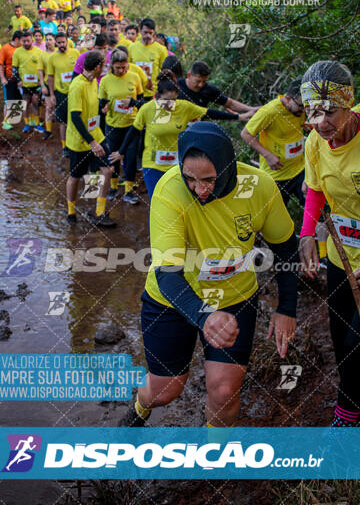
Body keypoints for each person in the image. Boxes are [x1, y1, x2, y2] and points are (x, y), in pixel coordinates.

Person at [118, 121, 298, 427]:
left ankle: (212, 460)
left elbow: (285, 247)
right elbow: (168, 272)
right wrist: (204, 315)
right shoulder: (169, 191)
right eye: (190, 178)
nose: (200, 190)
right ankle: (139, 408)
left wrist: (286, 309)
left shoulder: (259, 186)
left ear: (228, 169)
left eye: (209, 180)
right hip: (173, 300)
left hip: (234, 296)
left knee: (225, 391)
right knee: (165, 391)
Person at [298, 61, 360, 427]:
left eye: (329, 112)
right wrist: (307, 233)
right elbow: (316, 190)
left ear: (349, 105)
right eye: (312, 113)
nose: (320, 123)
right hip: (341, 258)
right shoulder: (315, 144)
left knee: (356, 345)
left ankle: (346, 417)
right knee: (341, 340)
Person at [110, 70, 249, 200]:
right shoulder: (147, 109)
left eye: (173, 100)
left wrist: (239, 117)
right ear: (158, 96)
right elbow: (133, 131)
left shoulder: (184, 107)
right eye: (166, 101)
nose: (170, 105)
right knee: (157, 201)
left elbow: (209, 113)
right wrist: (121, 152)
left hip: (177, 163)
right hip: (153, 164)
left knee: (178, 200)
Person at [66, 51, 116, 227]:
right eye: (104, 65)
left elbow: (91, 105)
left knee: (108, 170)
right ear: (97, 67)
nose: (105, 68)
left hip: (96, 134)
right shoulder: (76, 86)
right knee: (75, 176)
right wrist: (92, 143)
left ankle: (98, 211)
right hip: (80, 140)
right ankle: (71, 211)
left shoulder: (94, 81)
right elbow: (75, 118)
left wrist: (102, 106)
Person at [241, 80, 306, 207]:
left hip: (300, 169)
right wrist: (267, 155)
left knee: (318, 211)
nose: (303, 111)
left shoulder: (299, 110)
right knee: (277, 216)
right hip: (276, 175)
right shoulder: (270, 112)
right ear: (287, 99)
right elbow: (246, 134)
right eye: (301, 106)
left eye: (306, 106)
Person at [99, 49, 144, 204]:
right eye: (118, 67)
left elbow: (141, 100)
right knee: (113, 157)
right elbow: (102, 102)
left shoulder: (134, 77)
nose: (122, 70)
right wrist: (103, 108)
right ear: (111, 65)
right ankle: (113, 187)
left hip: (132, 125)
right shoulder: (105, 80)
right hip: (113, 126)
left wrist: (134, 104)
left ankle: (129, 191)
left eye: (124, 67)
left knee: (131, 158)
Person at [178, 61, 258, 117]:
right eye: (198, 81)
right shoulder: (176, 86)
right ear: (189, 75)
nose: (201, 85)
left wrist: (251, 109)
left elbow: (230, 103)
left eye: (204, 81)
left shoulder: (208, 90)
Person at [47, 33, 80, 156]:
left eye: (63, 42)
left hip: (75, 91)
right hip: (60, 92)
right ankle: (64, 147)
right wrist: (52, 95)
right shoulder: (52, 58)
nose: (61, 45)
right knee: (62, 122)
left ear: (67, 41)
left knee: (76, 118)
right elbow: (50, 77)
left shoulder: (75, 53)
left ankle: (76, 145)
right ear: (56, 43)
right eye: (59, 43)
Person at [128, 18, 168, 101]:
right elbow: (127, 68)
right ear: (140, 30)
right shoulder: (132, 47)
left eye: (151, 33)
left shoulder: (161, 49)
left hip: (152, 93)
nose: (148, 36)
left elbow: (165, 72)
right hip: (134, 92)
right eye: (145, 32)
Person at [12, 31, 42, 132]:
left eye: (27, 41)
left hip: (36, 83)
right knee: (25, 103)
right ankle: (27, 124)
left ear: (32, 40)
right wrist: (18, 80)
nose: (25, 43)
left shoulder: (38, 52)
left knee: (35, 102)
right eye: (23, 41)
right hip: (24, 84)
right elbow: (14, 68)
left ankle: (37, 124)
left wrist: (40, 80)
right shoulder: (17, 52)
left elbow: (43, 68)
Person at [0, 31, 23, 129]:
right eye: (22, 40)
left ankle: (14, 120)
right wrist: (3, 78)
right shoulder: (5, 48)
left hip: (20, 80)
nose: (23, 42)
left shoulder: (21, 49)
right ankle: (5, 121)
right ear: (16, 39)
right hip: (9, 79)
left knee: (19, 100)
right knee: (9, 100)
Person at [38, 33, 56, 140]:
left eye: (51, 39)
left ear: (55, 41)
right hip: (48, 84)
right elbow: (40, 71)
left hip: (59, 85)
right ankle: (48, 131)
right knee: (48, 107)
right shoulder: (42, 55)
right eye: (47, 39)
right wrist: (42, 85)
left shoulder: (59, 54)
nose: (49, 41)